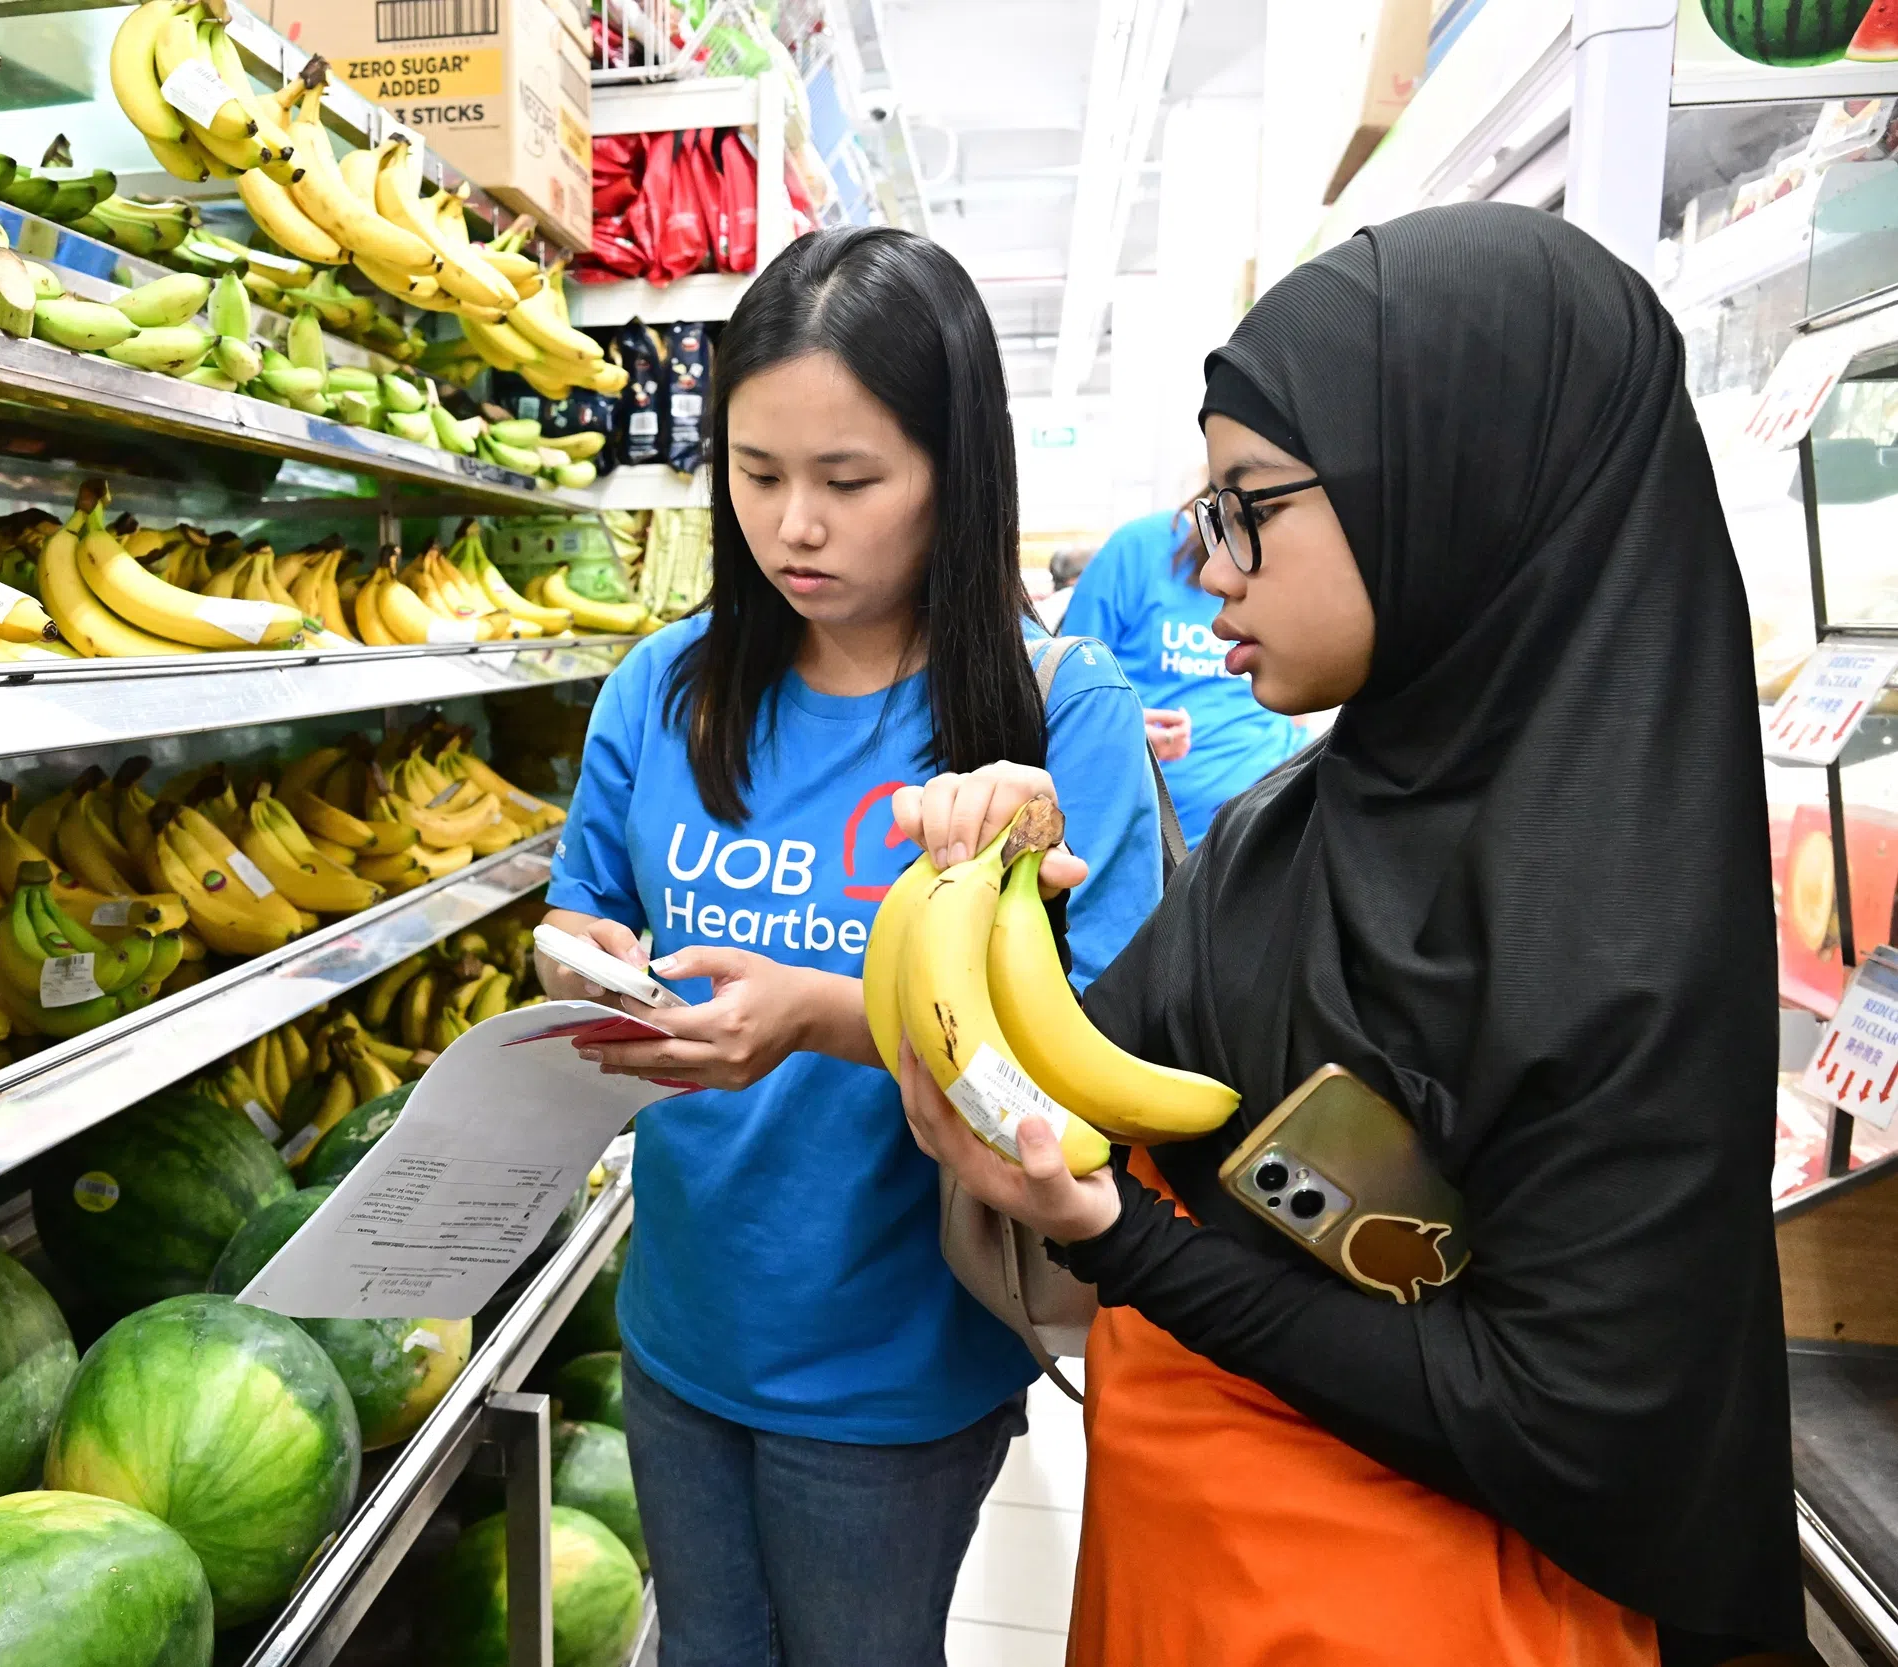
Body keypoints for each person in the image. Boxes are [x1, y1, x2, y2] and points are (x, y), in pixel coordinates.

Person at [893, 203, 1800, 1665]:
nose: (1208, 567)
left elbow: (1555, 1417)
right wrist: (1011, 901)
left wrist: (1129, 1243)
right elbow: (1102, 1072)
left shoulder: (1618, 948)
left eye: (1250, 503)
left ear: (1454, 484)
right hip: (1187, 1570)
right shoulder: (1307, 817)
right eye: (1207, 511)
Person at [534, 224, 1162, 1665]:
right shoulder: (663, 689)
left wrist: (819, 1011)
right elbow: (579, 911)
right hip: (686, 1320)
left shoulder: (1058, 720)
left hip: (899, 1354)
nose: (794, 525)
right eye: (758, 475)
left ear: (958, 470)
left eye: (849, 480)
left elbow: (1111, 1055)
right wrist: (583, 965)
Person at [1064, 506, 1303, 837]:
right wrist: (1119, 733)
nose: (1219, 579)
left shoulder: (1284, 554)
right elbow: (1067, 692)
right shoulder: (1138, 549)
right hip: (1156, 841)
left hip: (1264, 830)